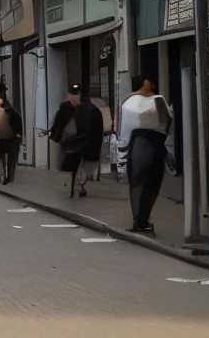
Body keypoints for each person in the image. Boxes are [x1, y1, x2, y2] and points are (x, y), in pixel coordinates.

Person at [117, 71, 171, 233]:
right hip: (155, 145)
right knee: (151, 184)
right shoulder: (159, 101)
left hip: (138, 146)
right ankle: (142, 219)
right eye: (149, 86)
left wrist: (121, 155)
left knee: (138, 184)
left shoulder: (129, 103)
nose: (151, 88)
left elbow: (124, 130)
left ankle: (140, 221)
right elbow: (167, 124)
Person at [49, 84, 105, 198]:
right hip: (80, 143)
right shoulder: (90, 109)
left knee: (79, 167)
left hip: (76, 143)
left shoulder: (71, 108)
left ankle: (76, 187)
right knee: (82, 167)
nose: (74, 98)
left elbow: (58, 124)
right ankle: (77, 187)